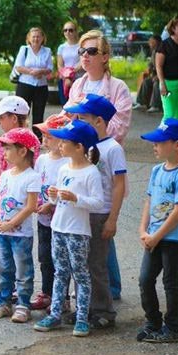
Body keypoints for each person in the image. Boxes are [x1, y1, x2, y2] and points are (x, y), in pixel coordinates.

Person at [33, 120, 103, 337]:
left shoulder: (91, 172)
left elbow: (98, 202)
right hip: (58, 227)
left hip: (78, 231)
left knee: (80, 273)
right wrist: (54, 197)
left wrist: (76, 198)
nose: (60, 145)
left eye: (65, 142)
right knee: (60, 272)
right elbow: (60, 196)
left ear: (79, 147)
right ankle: (55, 313)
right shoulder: (64, 168)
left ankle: (82, 317)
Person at [66, 95, 127, 329]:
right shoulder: (87, 146)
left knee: (96, 264)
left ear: (99, 121)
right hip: (83, 211)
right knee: (79, 263)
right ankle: (84, 308)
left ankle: (103, 310)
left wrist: (113, 218)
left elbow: (119, 184)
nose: (78, 121)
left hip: (101, 214)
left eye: (83, 117)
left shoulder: (112, 149)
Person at [136, 119, 178, 343]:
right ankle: (153, 322)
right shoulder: (156, 171)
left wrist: (156, 236)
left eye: (160, 142)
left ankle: (173, 328)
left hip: (175, 238)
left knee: (172, 282)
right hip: (154, 236)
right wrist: (143, 229)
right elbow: (149, 201)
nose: (155, 146)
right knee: (145, 279)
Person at [0, 128, 41, 322]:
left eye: (8, 148)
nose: (4, 152)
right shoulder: (6, 175)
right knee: (4, 268)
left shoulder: (32, 176)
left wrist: (12, 223)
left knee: (23, 270)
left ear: (23, 151)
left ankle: (23, 304)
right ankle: (3, 302)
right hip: (3, 231)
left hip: (21, 234)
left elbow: (30, 207)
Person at [30, 114, 71, 312]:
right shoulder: (42, 159)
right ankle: (47, 293)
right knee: (44, 256)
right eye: (43, 136)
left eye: (49, 136)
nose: (44, 140)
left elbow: (67, 191)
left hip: (61, 219)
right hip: (43, 218)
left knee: (61, 260)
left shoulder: (67, 163)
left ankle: (61, 297)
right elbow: (38, 182)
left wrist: (50, 204)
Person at [64, 30, 133, 143]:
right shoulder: (77, 85)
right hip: (77, 153)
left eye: (91, 51)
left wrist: (89, 115)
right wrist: (61, 119)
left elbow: (120, 129)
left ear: (104, 57)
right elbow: (66, 119)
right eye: (82, 51)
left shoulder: (119, 87)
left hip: (103, 153)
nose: (85, 55)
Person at [0, 95, 31, 200]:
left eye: (2, 117)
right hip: (2, 194)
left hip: (20, 196)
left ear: (14, 118)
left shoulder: (30, 142)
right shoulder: (2, 140)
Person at [12, 27, 53, 125]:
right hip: (24, 85)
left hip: (41, 87)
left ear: (43, 38)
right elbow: (18, 66)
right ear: (29, 38)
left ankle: (37, 138)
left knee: (38, 116)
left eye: (38, 37)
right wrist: (32, 72)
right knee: (21, 115)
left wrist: (41, 72)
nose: (36, 39)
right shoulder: (24, 49)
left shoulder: (47, 51)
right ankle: (20, 137)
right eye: (33, 37)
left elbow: (50, 68)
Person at [134, 35, 162, 112]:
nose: (149, 43)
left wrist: (158, 76)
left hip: (163, 76)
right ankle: (142, 103)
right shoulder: (154, 51)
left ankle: (155, 105)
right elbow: (151, 64)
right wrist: (150, 69)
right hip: (155, 75)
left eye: (151, 41)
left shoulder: (162, 51)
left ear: (156, 42)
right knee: (146, 81)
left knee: (157, 83)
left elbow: (165, 67)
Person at [56, 22, 81, 103]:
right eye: (65, 30)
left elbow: (82, 62)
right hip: (64, 81)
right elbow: (60, 65)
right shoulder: (61, 47)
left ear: (76, 31)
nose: (67, 32)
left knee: (78, 105)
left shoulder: (82, 46)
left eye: (70, 30)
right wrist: (66, 78)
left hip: (79, 79)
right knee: (66, 107)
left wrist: (71, 73)